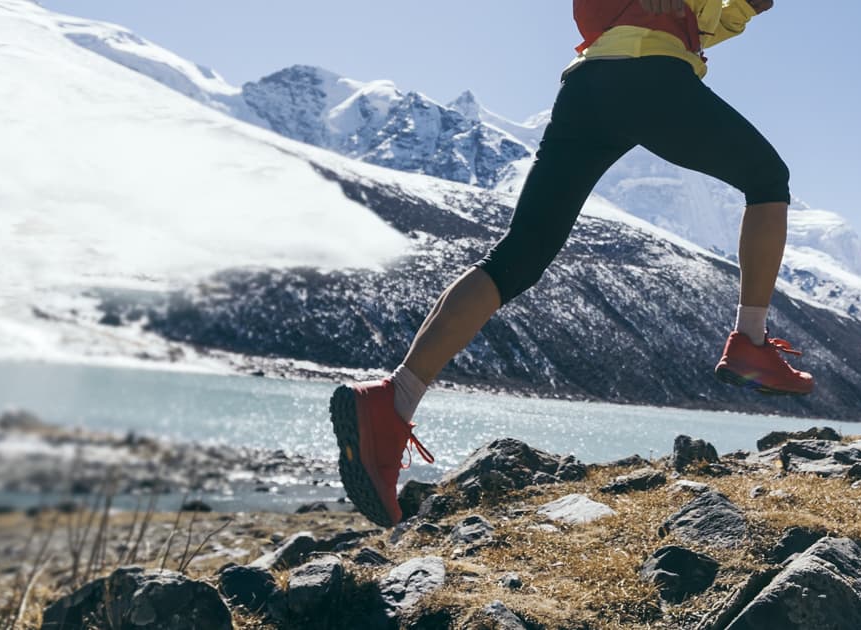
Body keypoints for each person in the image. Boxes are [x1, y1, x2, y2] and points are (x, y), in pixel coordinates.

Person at [329, 0, 810, 528]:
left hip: (589, 83)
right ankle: (751, 342)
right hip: (650, 76)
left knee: (520, 254)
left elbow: (689, 18)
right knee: (767, 181)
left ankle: (394, 399)